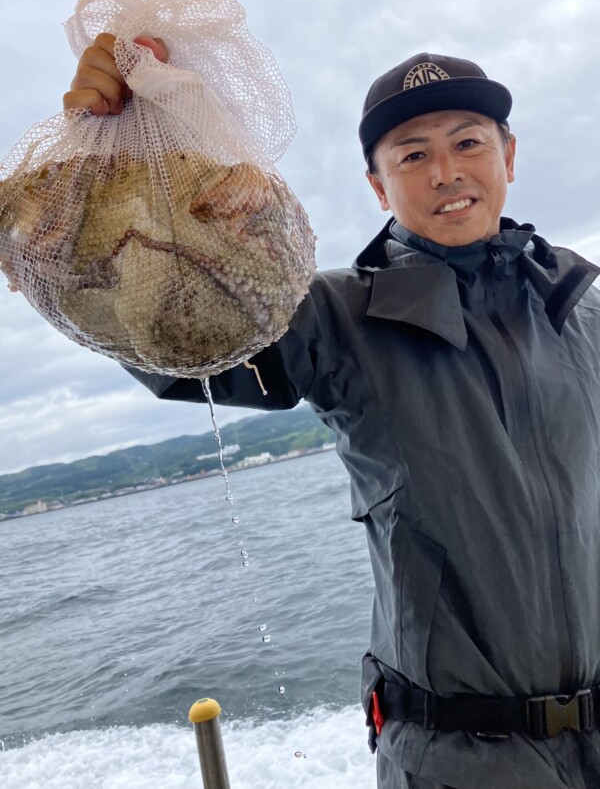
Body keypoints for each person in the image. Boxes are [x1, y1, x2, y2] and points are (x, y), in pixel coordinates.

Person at [66, 42, 600, 789]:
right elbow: (173, 337)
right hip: (457, 759)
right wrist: (113, 146)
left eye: (468, 141)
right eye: (412, 154)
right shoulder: (334, 314)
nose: (446, 171)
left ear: (508, 154)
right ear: (378, 187)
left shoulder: (581, 304)